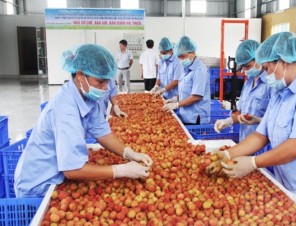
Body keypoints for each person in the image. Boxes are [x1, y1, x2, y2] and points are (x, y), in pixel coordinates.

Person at [207, 32, 296, 225]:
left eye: (267, 68)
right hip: (293, 186)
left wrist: (253, 163)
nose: (265, 74)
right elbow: (261, 135)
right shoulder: (280, 91)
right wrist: (228, 155)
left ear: (283, 61)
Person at [14, 44, 153, 198]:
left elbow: (102, 132)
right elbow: (72, 169)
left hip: (57, 178)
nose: (106, 87)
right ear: (80, 76)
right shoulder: (65, 111)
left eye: (107, 81)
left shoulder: (86, 96)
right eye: (101, 81)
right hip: (39, 185)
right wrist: (121, 170)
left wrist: (129, 153)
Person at [214, 40, 272, 144]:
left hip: (262, 147)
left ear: (259, 58)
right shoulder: (248, 82)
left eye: (248, 66)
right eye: (242, 67)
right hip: (244, 142)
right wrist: (229, 121)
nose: (245, 70)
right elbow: (240, 113)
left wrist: (259, 120)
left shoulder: (271, 84)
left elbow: (275, 121)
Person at [163, 36, 210, 125]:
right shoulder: (186, 68)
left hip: (195, 118)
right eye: (179, 57)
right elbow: (186, 91)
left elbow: (196, 96)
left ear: (192, 52)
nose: (181, 60)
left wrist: (177, 104)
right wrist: (175, 99)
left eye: (182, 56)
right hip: (186, 114)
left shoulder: (199, 70)